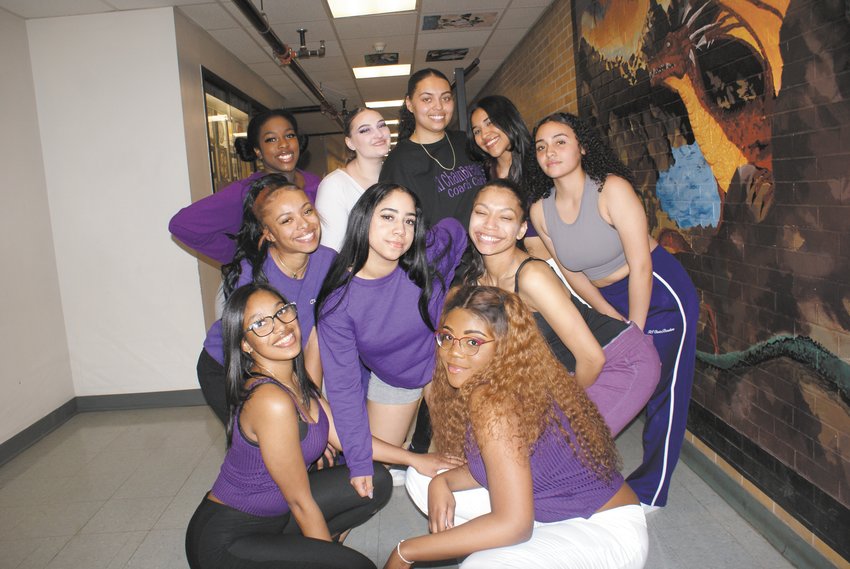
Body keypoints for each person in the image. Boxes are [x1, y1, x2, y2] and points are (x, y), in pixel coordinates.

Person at [387, 286, 648, 569]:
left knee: (481, 565)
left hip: (605, 531)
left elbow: (514, 525)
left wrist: (407, 551)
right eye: (448, 337)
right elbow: (500, 464)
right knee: (423, 477)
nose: (454, 353)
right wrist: (444, 481)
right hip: (548, 511)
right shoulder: (495, 383)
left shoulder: (493, 401)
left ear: (504, 345)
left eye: (473, 342)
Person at [529, 112, 699, 511]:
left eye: (560, 141)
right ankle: (576, 473)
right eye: (541, 146)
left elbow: (642, 265)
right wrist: (607, 314)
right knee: (602, 378)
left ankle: (652, 490)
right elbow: (572, 272)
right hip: (607, 299)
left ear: (582, 146)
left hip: (658, 292)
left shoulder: (612, 190)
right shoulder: (541, 209)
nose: (549, 152)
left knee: (664, 389)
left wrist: (635, 332)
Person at [185, 283, 391, 569]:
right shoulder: (270, 400)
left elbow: (348, 438)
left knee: (377, 481)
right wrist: (328, 561)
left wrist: (418, 460)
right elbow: (300, 501)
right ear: (245, 344)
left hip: (277, 519)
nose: (280, 326)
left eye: (281, 311)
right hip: (228, 541)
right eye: (260, 324)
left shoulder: (295, 380)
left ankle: (295, 550)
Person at [461, 179, 660, 435]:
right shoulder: (475, 281)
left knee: (568, 452)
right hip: (569, 369)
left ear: (521, 230)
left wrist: (557, 409)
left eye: (505, 217)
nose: (490, 225)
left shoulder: (532, 277)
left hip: (620, 360)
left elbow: (592, 358)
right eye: (481, 212)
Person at [316, 183, 467, 498]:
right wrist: (358, 464)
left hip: (449, 365)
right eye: (388, 217)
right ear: (364, 219)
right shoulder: (339, 302)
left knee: (468, 459)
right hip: (397, 378)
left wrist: (449, 287)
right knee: (371, 472)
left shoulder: (429, 254)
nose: (400, 230)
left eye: (409, 220)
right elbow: (343, 390)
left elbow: (456, 230)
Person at [197, 174, 334, 424]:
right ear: (269, 234)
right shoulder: (255, 273)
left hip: (288, 364)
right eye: (287, 220)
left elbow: (316, 337)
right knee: (263, 446)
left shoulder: (328, 262)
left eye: (307, 211)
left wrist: (309, 403)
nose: (304, 225)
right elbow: (256, 350)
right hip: (234, 367)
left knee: (308, 436)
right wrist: (297, 406)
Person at [169, 108, 321, 264]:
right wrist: (246, 257)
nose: (283, 144)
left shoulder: (316, 183)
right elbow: (183, 225)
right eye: (271, 139)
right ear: (258, 151)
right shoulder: (246, 191)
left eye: (289, 135)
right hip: (269, 284)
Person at [379, 68, 486, 228]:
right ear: (409, 104)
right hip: (442, 252)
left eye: (446, 98)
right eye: (427, 99)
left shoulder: (465, 141)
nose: (439, 107)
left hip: (490, 245)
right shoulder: (398, 162)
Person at [467, 95, 549, 259]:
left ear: (508, 120)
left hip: (554, 265)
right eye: (477, 131)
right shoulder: (482, 175)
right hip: (511, 267)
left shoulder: (540, 163)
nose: (484, 134)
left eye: (489, 123)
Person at [316, 107, 391, 251]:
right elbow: (331, 250)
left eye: (381, 125)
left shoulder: (397, 176)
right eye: (365, 130)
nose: (378, 134)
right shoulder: (334, 185)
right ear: (350, 142)